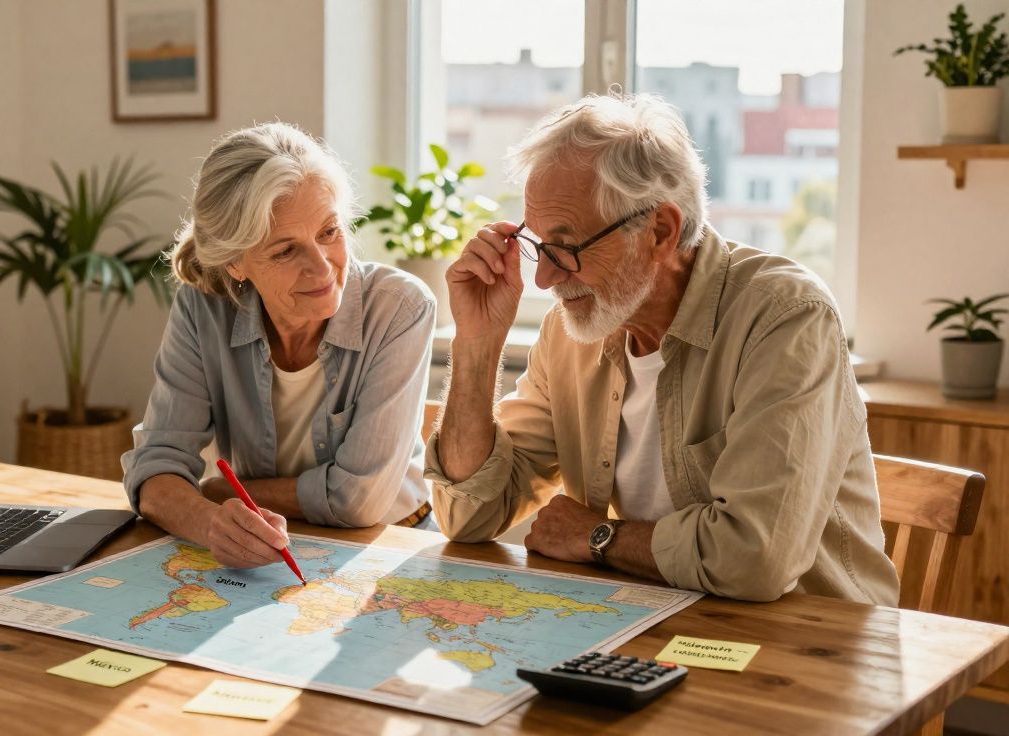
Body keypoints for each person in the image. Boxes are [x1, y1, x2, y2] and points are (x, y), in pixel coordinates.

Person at [426, 94, 899, 604]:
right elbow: (469, 515)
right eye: (537, 245)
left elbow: (754, 558)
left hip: (812, 643)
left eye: (566, 247)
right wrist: (477, 341)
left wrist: (595, 537)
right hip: (654, 620)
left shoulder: (785, 317)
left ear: (660, 231)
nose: (544, 278)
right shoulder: (573, 330)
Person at [122, 122, 436, 570]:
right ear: (235, 262)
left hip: (391, 544)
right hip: (269, 546)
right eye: (286, 251)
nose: (322, 268)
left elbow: (360, 501)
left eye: (329, 232)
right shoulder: (203, 307)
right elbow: (154, 468)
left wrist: (221, 490)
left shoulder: (400, 308)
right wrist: (209, 523)